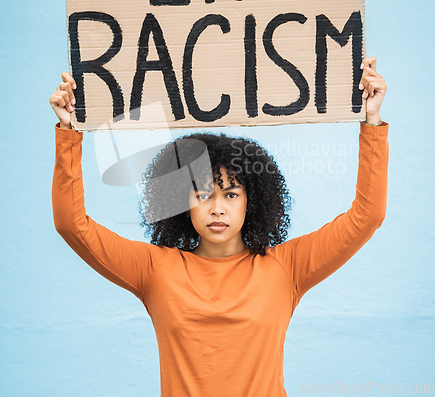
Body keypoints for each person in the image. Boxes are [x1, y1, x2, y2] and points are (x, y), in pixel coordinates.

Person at [49, 57, 388, 396]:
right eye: (203, 195)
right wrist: (69, 131)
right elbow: (72, 225)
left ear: (251, 200)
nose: (217, 208)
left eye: (230, 194)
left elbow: (366, 216)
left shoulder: (285, 268)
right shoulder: (156, 270)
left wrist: (371, 119)